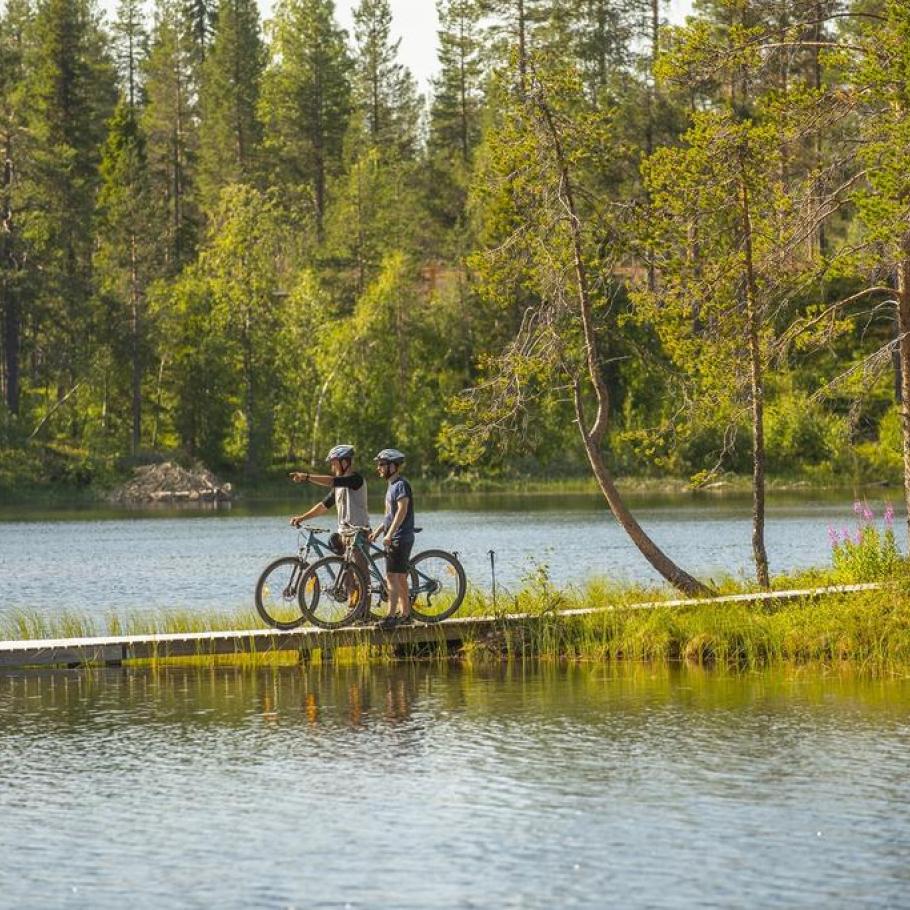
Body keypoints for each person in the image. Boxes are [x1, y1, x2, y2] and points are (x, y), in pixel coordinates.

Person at [289, 445, 370, 555]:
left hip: (359, 533)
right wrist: (302, 518)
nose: (332, 467)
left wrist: (306, 477)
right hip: (345, 534)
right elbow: (323, 506)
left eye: (334, 463)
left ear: (344, 462)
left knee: (359, 570)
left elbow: (332, 481)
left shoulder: (355, 479)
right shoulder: (339, 487)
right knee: (346, 571)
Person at [369, 448, 414, 627]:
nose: (379, 468)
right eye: (379, 465)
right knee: (400, 577)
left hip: (400, 537)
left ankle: (391, 617)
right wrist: (380, 530)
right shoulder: (392, 485)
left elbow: (402, 510)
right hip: (396, 535)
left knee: (391, 577)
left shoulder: (401, 485)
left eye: (382, 465)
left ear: (393, 466)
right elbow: (390, 515)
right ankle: (406, 614)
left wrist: (389, 534)